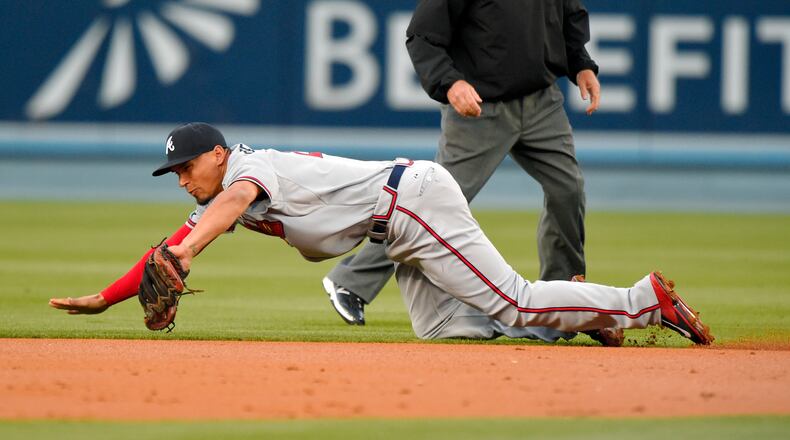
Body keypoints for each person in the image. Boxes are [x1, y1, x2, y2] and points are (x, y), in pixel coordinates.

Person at [49, 123, 713, 346]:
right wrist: (107, 300)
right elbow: (163, 248)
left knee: (510, 301)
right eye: (174, 172)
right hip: (394, 228)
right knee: (445, 331)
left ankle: (639, 300)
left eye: (186, 166)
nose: (181, 179)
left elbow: (227, 211)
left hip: (413, 203)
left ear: (217, 155)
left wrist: (188, 251)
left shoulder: (245, 172)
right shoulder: (221, 194)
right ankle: (580, 314)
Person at [322, 0, 602, 342]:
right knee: (429, 205)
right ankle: (352, 281)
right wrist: (450, 82)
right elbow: (421, 36)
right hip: (478, 108)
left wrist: (581, 64)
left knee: (568, 190)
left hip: (541, 101)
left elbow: (569, 15)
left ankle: (562, 303)